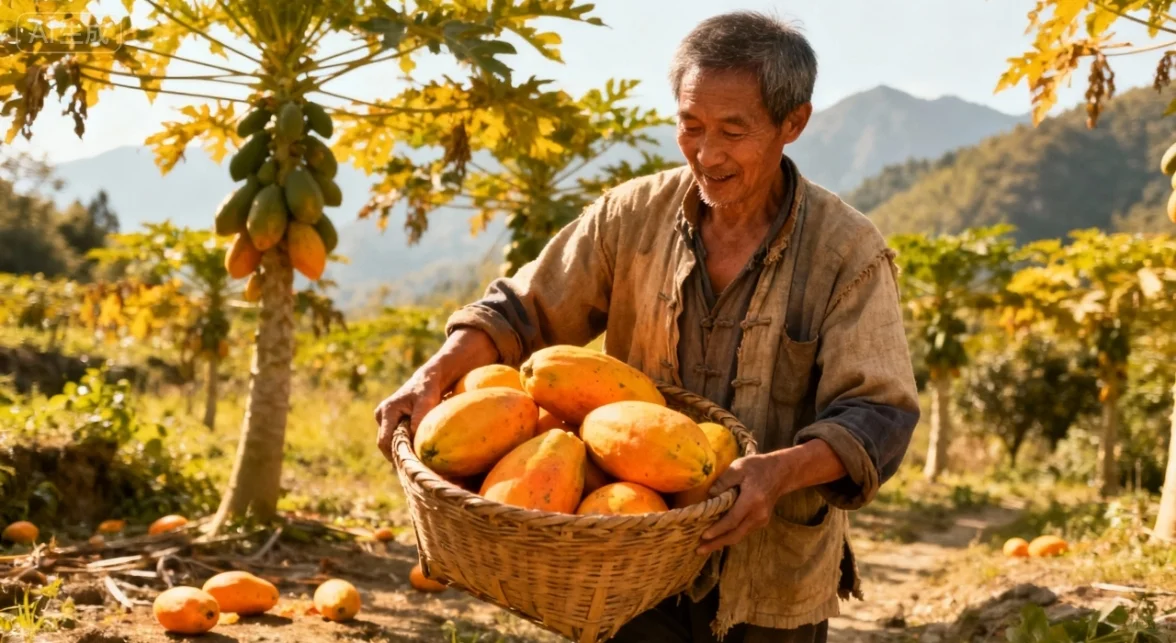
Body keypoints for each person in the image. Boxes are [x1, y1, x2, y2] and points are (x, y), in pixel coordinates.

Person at [375, 10, 920, 643]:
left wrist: (778, 473)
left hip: (770, 572)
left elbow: (879, 414)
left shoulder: (845, 251)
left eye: (733, 130)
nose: (706, 154)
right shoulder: (629, 216)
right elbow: (522, 309)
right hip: (628, 555)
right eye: (690, 126)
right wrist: (433, 374)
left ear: (792, 123)